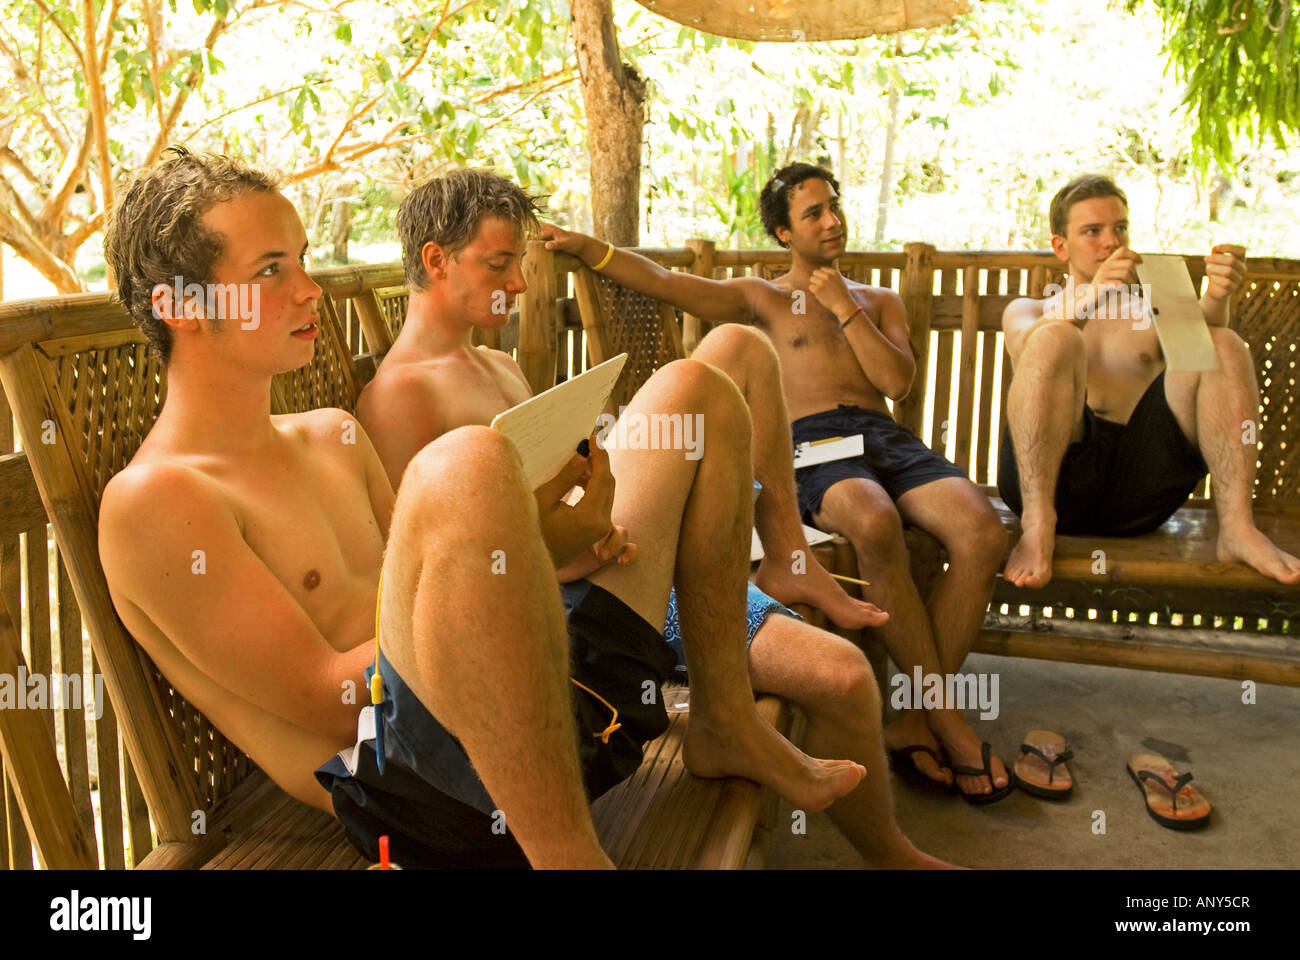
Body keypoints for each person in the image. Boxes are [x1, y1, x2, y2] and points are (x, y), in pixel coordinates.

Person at [97, 149, 868, 871]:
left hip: (549, 714)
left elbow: (445, 590)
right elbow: (334, 705)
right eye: (272, 270)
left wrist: (563, 547)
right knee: (467, 460)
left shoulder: (330, 435)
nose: (309, 290)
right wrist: (520, 539)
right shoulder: (158, 501)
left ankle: (724, 720)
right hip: (427, 793)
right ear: (182, 305)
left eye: (301, 260)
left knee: (696, 393)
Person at [353, 165, 939, 863]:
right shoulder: (398, 398)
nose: (517, 283)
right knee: (842, 678)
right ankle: (873, 836)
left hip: (601, 564)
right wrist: (573, 546)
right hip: (550, 612)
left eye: (520, 264)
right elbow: (438, 589)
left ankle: (866, 828)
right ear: (435, 260)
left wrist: (597, 509)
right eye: (499, 263)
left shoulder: (497, 368)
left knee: (727, 367)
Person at [540, 162, 1015, 804]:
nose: (831, 220)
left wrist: (844, 305)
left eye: (833, 207)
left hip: (885, 438)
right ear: (782, 233)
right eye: (812, 213)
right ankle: (948, 719)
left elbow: (896, 383)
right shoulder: (760, 298)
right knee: (872, 520)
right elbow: (664, 281)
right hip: (816, 444)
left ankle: (910, 718)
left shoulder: (880, 302)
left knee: (983, 531)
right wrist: (584, 246)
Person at [999, 174, 1300, 588]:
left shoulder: (1150, 307)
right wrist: (1094, 293)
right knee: (1057, 336)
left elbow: (1202, 348)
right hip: (1053, 486)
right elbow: (1031, 346)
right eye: (1093, 231)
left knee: (1224, 344)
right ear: (1060, 246)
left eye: (1119, 228)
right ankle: (1037, 526)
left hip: (1140, 488)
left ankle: (1238, 529)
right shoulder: (1028, 310)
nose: (1112, 242)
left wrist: (1217, 295)